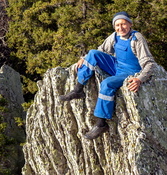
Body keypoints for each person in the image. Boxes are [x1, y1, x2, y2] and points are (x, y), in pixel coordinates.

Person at [59, 11, 156, 140]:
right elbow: (101, 50)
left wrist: (139, 79)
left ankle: (101, 124)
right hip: (116, 65)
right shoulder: (115, 36)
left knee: (107, 83)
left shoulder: (136, 38)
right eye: (117, 25)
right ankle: (78, 90)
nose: (120, 28)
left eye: (123, 24)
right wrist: (84, 58)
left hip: (130, 72)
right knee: (93, 53)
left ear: (130, 24)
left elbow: (149, 63)